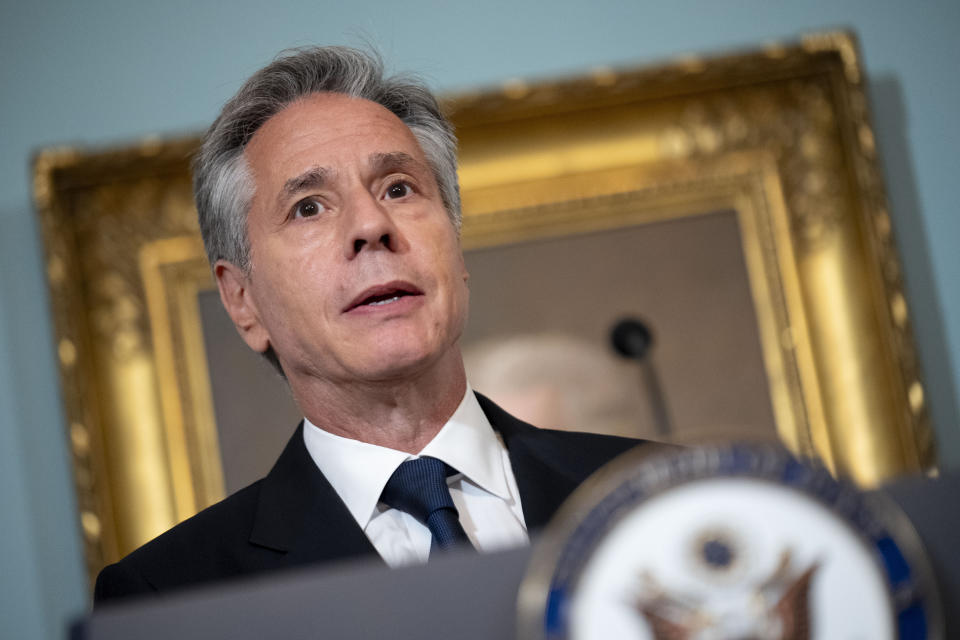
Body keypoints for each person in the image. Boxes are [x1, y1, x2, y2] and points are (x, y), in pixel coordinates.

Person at [94, 46, 658, 605]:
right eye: (309, 206)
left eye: (398, 188)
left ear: (456, 249)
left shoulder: (660, 497)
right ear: (243, 302)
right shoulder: (171, 597)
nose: (371, 224)